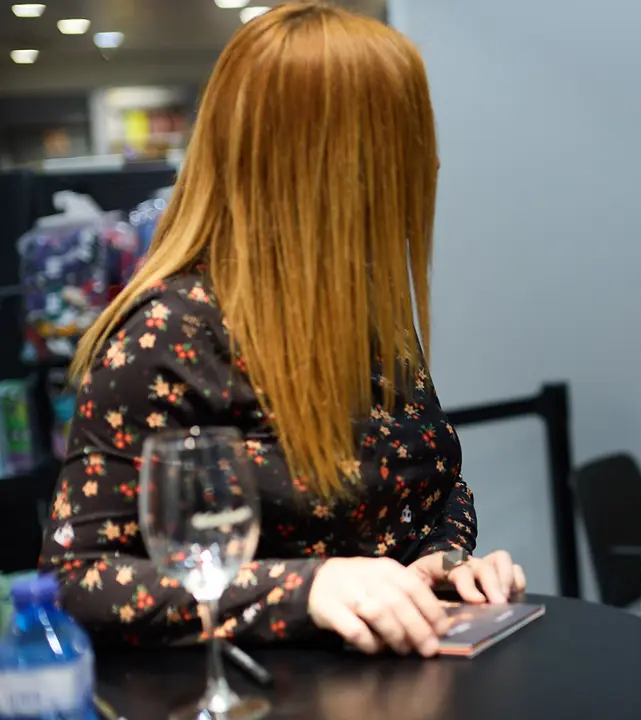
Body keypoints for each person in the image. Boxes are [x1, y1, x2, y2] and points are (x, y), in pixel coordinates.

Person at [38, 3, 525, 656]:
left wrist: (440, 565)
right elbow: (79, 581)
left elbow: (431, 493)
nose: (429, 164)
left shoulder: (368, 316)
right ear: (335, 160)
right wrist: (308, 589)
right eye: (408, 136)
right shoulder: (167, 337)